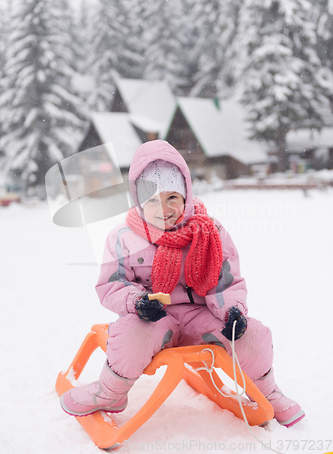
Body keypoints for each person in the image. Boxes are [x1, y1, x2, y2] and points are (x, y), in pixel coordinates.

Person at [60, 140, 305, 427]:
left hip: (202, 317)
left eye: (172, 198)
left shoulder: (210, 231)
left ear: (186, 193)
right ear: (138, 199)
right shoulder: (124, 237)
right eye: (151, 200)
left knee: (251, 334)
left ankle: (268, 393)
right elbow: (112, 284)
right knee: (129, 335)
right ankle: (110, 393)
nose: (162, 209)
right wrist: (137, 303)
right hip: (154, 319)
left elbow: (226, 281)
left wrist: (233, 312)